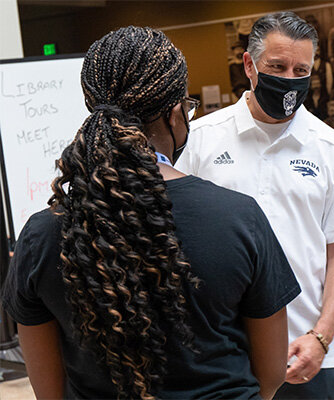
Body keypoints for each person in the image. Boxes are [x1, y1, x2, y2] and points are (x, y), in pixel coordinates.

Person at [1, 26, 301, 400]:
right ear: (175, 112)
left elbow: (49, 392)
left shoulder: (42, 236)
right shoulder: (239, 218)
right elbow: (271, 375)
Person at [176, 12, 334, 400]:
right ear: (249, 66)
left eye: (301, 69)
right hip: (218, 352)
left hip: (306, 352)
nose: (289, 79)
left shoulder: (331, 148)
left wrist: (322, 335)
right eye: (277, 66)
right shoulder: (199, 139)